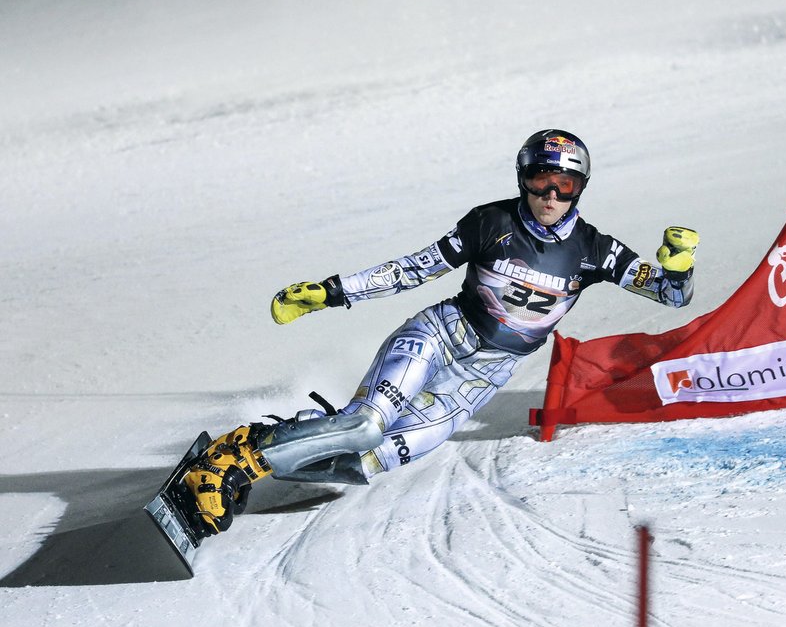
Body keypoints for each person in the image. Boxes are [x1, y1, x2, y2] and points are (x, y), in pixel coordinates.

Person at [182, 129, 698, 537]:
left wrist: (679, 269)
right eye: (542, 180)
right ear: (524, 179)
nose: (552, 195)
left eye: (566, 185)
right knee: (366, 425)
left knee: (366, 460)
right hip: (440, 335)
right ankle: (234, 457)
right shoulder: (490, 222)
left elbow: (672, 296)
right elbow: (416, 268)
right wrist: (334, 292)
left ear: (580, 190)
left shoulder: (593, 249)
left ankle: (290, 437)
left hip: (484, 374)